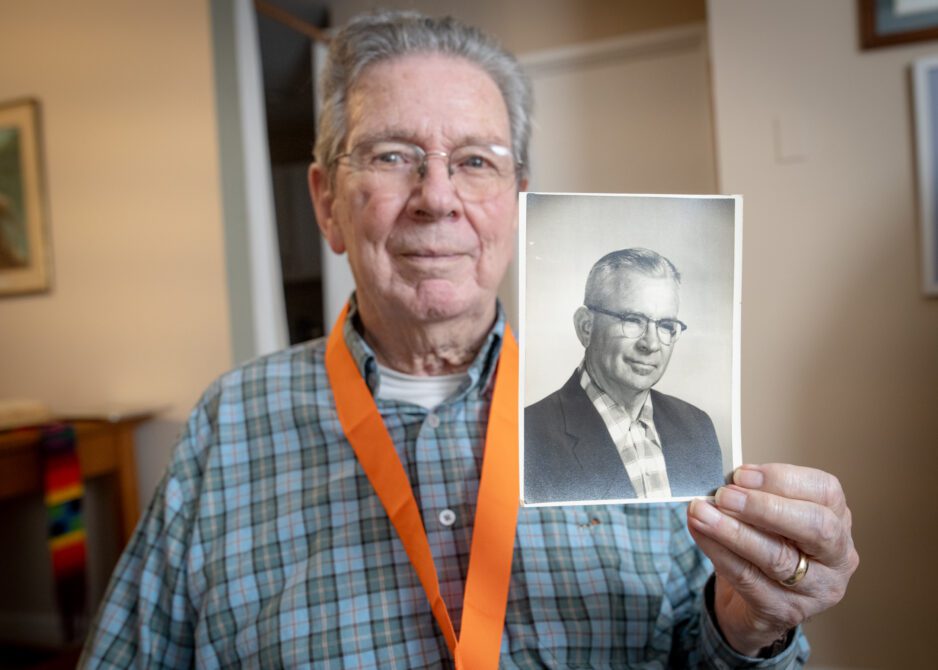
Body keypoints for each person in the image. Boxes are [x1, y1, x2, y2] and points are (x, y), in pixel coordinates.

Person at [80, 11, 858, 669]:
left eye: (475, 162)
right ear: (327, 203)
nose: (438, 199)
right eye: (393, 156)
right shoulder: (229, 424)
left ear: (517, 202)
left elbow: (704, 650)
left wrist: (752, 627)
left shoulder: (669, 425)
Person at [524, 247, 725, 504]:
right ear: (586, 327)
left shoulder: (697, 427)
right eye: (633, 320)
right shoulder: (531, 437)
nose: (651, 344)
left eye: (665, 326)